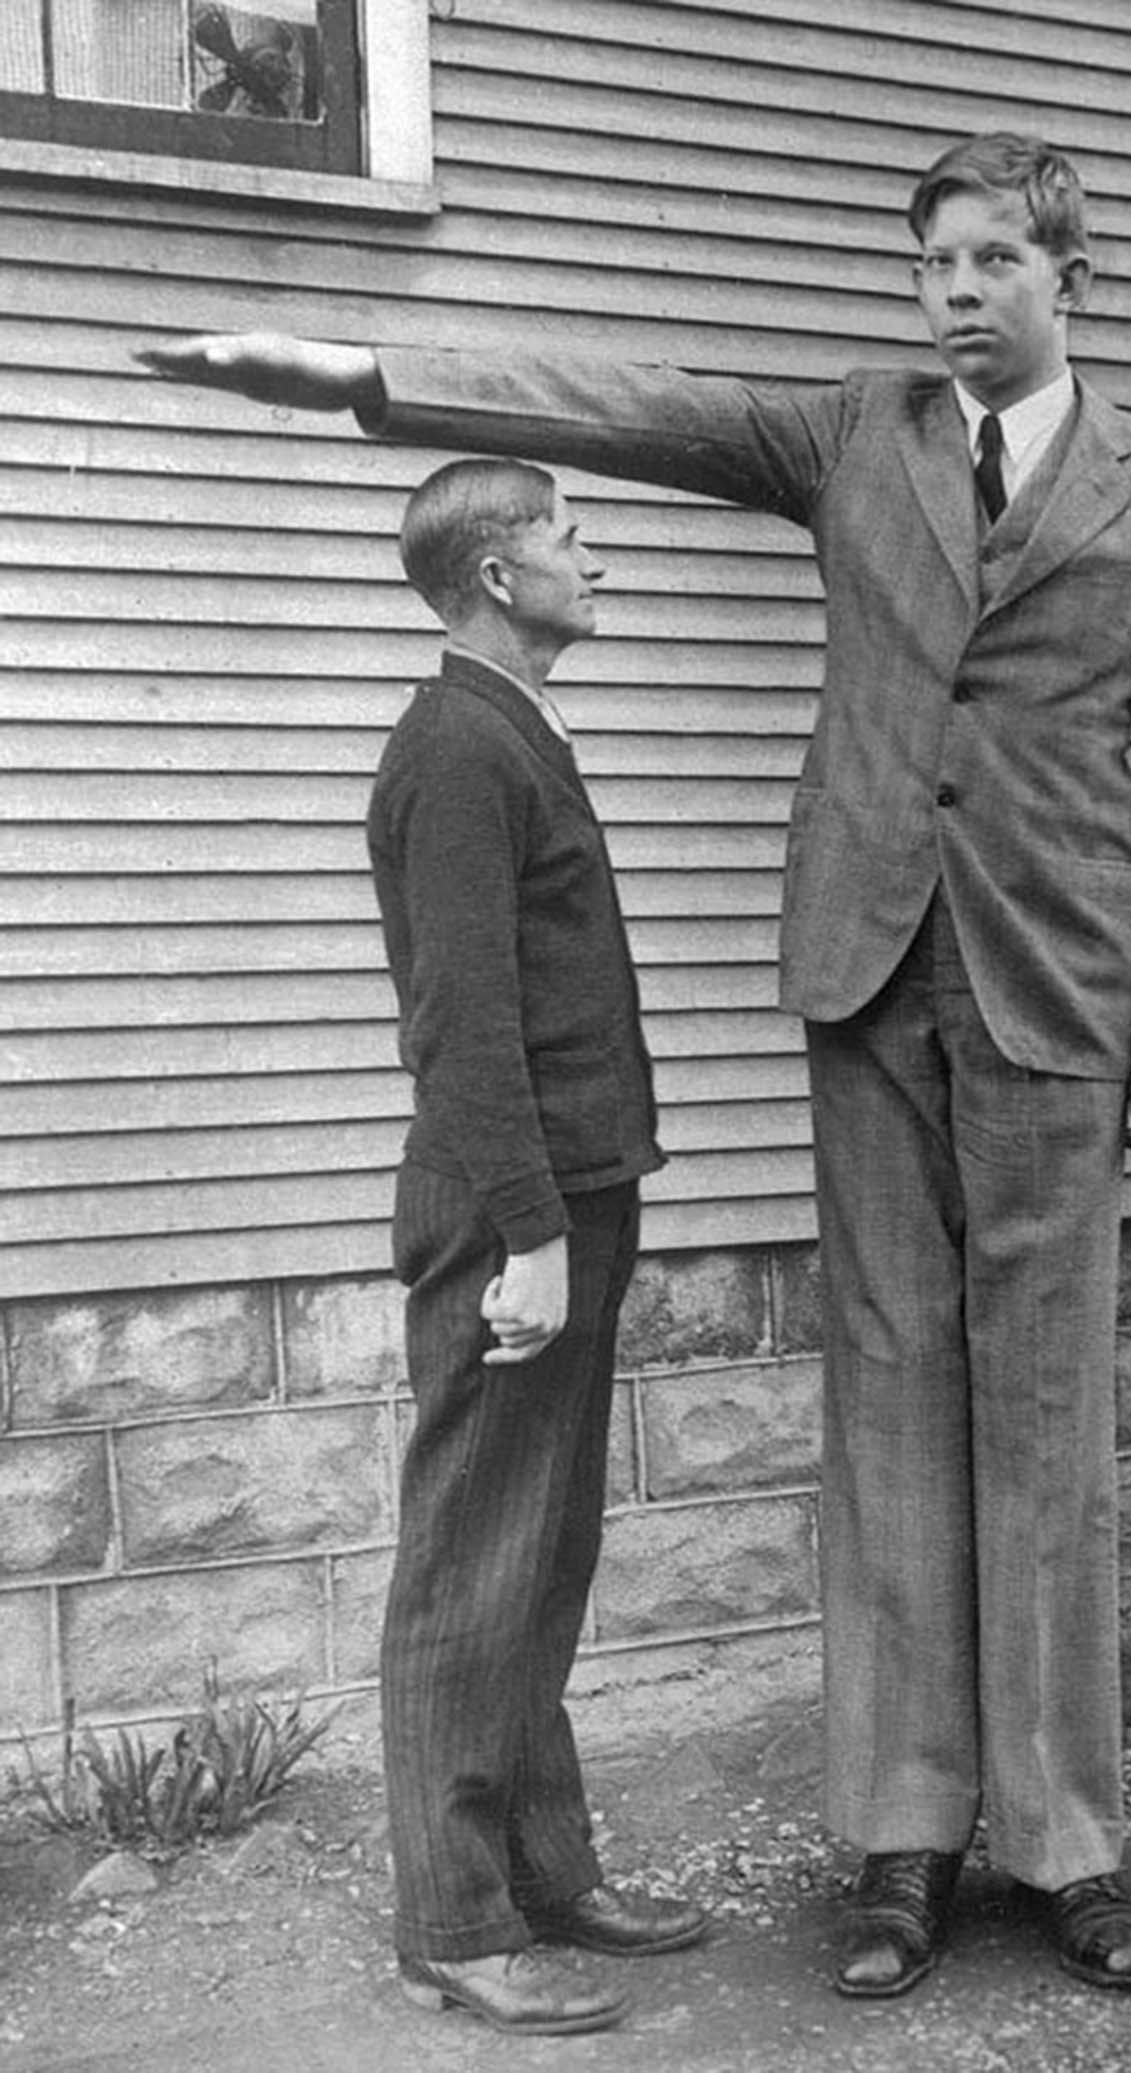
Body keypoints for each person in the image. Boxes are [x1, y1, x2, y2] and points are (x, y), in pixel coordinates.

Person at [139, 129, 1131, 2001]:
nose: (954, 294)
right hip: (870, 970)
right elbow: (634, 403)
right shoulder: (851, 438)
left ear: (1071, 271)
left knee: (1048, 1416)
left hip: (1063, 987)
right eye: (932, 267)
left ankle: (1068, 1842)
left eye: (989, 262)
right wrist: (368, 378)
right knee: (885, 1400)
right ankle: (901, 1839)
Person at [359, 457, 706, 2035]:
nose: (597, 554)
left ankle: (545, 1871)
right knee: (469, 1565)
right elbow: (464, 1030)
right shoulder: (456, 750)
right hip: (516, 1209)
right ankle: (453, 1919)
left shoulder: (515, 731)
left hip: (569, 1191)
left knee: (543, 1552)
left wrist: (567, 1212)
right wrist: (528, 1234)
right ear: (498, 575)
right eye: (570, 536)